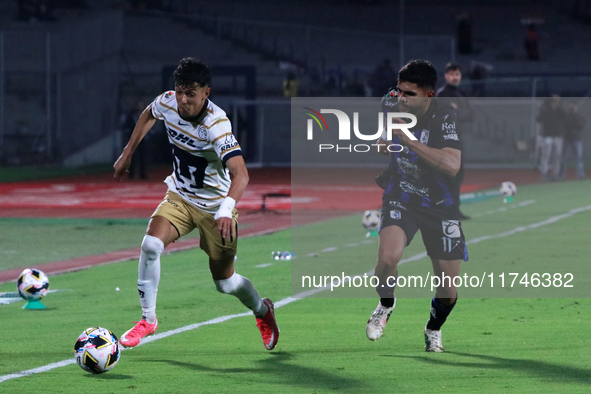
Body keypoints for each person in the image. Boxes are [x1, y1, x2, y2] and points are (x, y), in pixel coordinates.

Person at [113, 58, 279, 350]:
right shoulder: (167, 102)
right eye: (180, 91)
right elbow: (149, 114)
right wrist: (128, 152)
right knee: (150, 245)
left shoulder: (216, 124)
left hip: (216, 208)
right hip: (179, 195)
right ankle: (148, 320)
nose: (183, 99)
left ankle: (263, 310)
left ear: (206, 93)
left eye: (191, 93)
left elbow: (241, 174)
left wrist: (226, 210)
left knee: (225, 283)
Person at [366, 60, 468, 352]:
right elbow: (382, 136)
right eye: (400, 91)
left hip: (441, 206)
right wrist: (382, 140)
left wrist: (408, 141)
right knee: (387, 259)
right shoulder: (390, 102)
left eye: (410, 94)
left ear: (429, 96)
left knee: (448, 291)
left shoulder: (444, 117)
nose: (402, 98)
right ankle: (386, 304)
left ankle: (432, 329)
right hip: (402, 196)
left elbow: (451, 165)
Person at [435, 63, 473, 220]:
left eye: (457, 74)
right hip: (444, 140)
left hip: (457, 139)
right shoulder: (442, 94)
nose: (454, 77)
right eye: (451, 74)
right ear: (446, 76)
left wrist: (457, 112)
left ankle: (454, 210)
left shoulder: (460, 93)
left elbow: (470, 115)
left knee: (457, 175)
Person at [537, 95, 566, 181]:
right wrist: (543, 107)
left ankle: (555, 174)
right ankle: (544, 173)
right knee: (546, 155)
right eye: (553, 102)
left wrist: (559, 103)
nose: (554, 103)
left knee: (557, 155)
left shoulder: (559, 110)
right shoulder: (546, 110)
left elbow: (564, 115)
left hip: (557, 136)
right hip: (548, 136)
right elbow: (539, 118)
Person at [121, 100, 148, 180]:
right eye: (139, 105)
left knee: (143, 156)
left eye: (141, 105)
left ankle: (142, 173)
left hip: (142, 139)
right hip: (133, 139)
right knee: (133, 156)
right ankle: (131, 174)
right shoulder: (131, 116)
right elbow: (126, 126)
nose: (140, 107)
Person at [560, 102, 586, 179]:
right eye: (571, 107)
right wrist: (570, 115)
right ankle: (561, 175)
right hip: (567, 138)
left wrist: (575, 114)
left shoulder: (578, 116)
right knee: (563, 158)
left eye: (573, 107)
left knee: (579, 157)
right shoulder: (566, 116)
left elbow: (581, 125)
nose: (572, 108)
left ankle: (580, 175)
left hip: (576, 139)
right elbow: (565, 125)